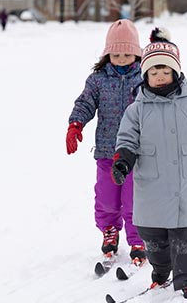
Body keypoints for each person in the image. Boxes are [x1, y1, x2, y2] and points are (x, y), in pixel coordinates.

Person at [111, 27, 187, 302]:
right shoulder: (136, 110)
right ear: (145, 76)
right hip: (151, 188)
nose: (159, 76)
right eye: (153, 72)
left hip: (184, 188)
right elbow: (127, 140)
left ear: (176, 73)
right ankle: (160, 274)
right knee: (154, 241)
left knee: (185, 242)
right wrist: (123, 162)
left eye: (165, 71)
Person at [66, 19, 146, 265]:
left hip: (136, 154)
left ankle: (138, 238)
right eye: (116, 54)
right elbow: (85, 103)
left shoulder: (145, 77)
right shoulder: (98, 79)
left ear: (136, 54)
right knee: (107, 198)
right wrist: (75, 124)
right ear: (107, 54)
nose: (121, 59)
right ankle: (109, 231)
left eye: (127, 54)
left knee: (134, 200)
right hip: (106, 151)